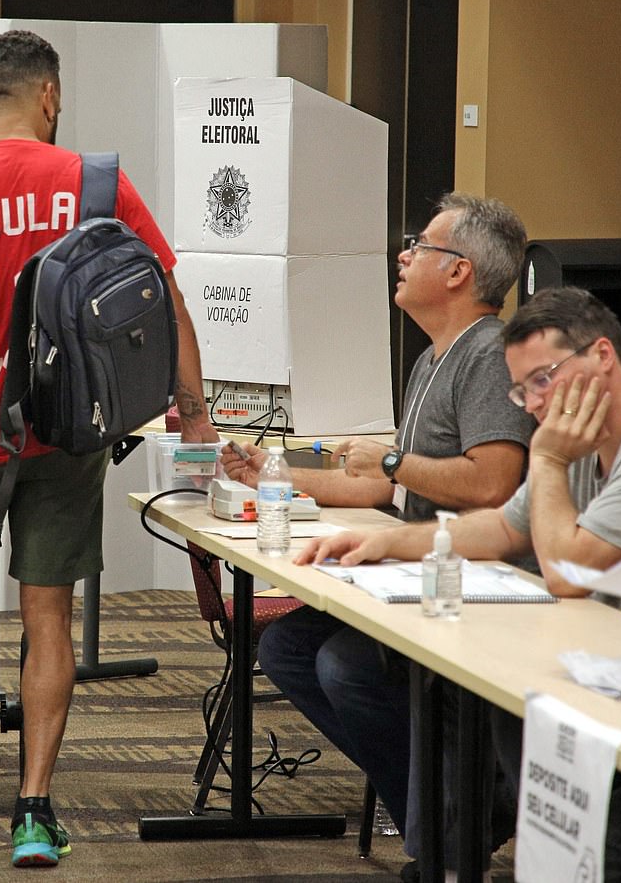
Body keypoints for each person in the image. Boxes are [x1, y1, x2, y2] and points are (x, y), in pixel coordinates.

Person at [0, 29, 217, 870]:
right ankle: (33, 815)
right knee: (48, 614)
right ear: (50, 97)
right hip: (66, 434)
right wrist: (193, 414)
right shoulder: (98, 187)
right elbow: (165, 304)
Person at [298, 286, 621, 879]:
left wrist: (544, 460)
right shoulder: (576, 430)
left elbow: (569, 571)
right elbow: (503, 527)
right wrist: (389, 542)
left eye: (544, 379)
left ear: (602, 355)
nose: (533, 404)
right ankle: (463, 845)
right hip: (620, 661)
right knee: (500, 701)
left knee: (612, 848)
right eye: (523, 389)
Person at [222, 193, 533, 847]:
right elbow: (379, 480)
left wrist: (394, 461)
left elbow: (493, 481)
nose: (404, 253)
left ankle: (458, 820)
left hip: (478, 581)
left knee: (345, 664)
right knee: (287, 647)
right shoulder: (431, 358)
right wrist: (272, 472)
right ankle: (452, 812)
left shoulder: (487, 353)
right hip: (419, 572)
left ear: (458, 272)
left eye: (419, 244)